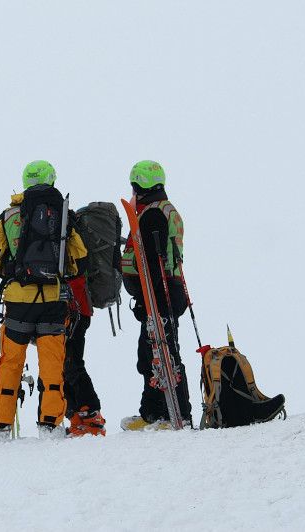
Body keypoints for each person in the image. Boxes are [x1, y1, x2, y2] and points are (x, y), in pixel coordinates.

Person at [0, 161, 88, 440]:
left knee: (10, 363)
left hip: (18, 301)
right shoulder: (64, 216)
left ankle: (0, 426)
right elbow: (78, 261)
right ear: (52, 179)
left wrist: (15, 272)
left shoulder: (8, 216)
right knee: (53, 364)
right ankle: (50, 425)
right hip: (53, 301)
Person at [121, 161, 193, 429]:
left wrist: (144, 293)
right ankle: (152, 411)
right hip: (158, 292)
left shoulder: (153, 214)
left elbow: (152, 260)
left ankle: (178, 412)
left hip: (160, 292)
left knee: (166, 352)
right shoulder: (163, 209)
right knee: (148, 353)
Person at [63, 256, 106, 437]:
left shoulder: (69, 235)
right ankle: (77, 416)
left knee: (71, 363)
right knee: (63, 364)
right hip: (72, 305)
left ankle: (90, 415)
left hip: (74, 306)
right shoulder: (66, 234)